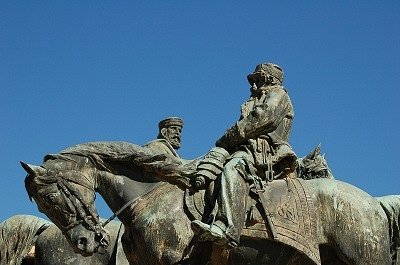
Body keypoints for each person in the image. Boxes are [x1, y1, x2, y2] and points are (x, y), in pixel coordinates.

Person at [191, 63, 297, 248]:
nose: (253, 85)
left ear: (269, 79)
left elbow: (261, 119)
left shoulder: (279, 95)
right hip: (247, 148)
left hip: (266, 154)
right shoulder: (253, 100)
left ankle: (226, 227)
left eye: (257, 79)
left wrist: (228, 137)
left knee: (234, 168)